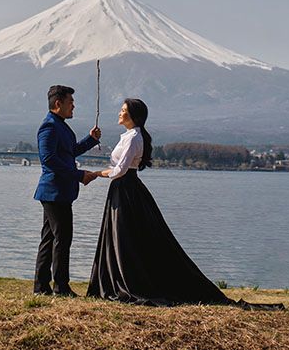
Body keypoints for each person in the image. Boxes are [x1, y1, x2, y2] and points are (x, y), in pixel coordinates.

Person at [86, 98, 232, 306]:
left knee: (124, 236)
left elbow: (120, 170)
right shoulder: (129, 136)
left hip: (126, 189)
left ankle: (128, 280)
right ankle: (116, 278)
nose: (119, 113)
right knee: (121, 235)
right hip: (123, 189)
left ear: (134, 116)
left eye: (123, 110)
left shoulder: (134, 137)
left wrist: (95, 174)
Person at [33, 84, 102, 296]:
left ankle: (41, 286)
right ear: (58, 103)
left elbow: (68, 152)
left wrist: (91, 140)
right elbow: (49, 160)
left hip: (58, 192)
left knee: (50, 239)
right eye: (71, 102)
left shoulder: (59, 125)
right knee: (62, 239)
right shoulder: (49, 127)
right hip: (55, 192)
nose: (74, 106)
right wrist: (79, 175)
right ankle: (60, 287)